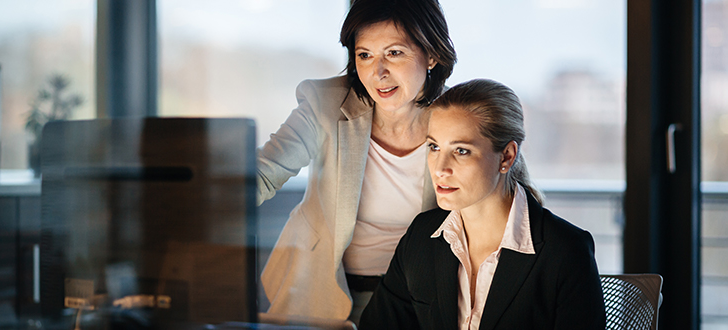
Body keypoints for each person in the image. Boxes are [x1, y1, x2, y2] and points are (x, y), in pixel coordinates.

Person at [257, 0, 457, 322]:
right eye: (365, 55)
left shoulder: (462, 116)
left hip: (418, 297)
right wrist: (196, 212)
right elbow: (263, 175)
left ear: (432, 54)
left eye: (394, 53)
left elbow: (515, 198)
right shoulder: (326, 104)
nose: (377, 72)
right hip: (318, 287)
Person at [359, 79, 606, 329]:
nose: (440, 168)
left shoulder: (564, 251)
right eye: (434, 147)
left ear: (507, 156)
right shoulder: (421, 237)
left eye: (461, 151)